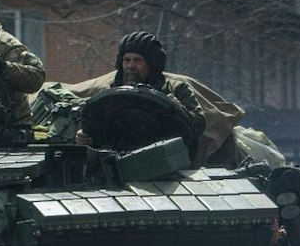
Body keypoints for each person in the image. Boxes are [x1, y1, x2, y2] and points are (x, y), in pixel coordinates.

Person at [66, 31, 245, 165]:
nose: (131, 66)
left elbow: (197, 127)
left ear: (151, 64)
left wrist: (179, 109)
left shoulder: (176, 89)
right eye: (127, 60)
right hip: (117, 165)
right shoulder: (110, 95)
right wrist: (84, 137)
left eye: (137, 60)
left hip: (167, 164)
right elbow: (96, 130)